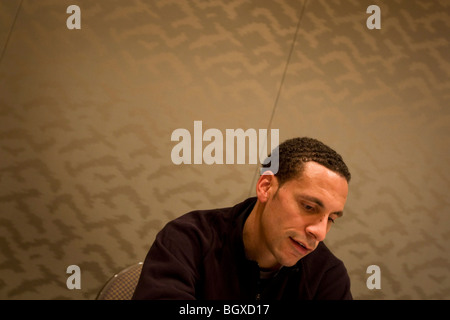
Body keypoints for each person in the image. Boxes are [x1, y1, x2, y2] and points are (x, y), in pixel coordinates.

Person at [132, 137, 352, 300]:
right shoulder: (189, 239)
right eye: (308, 207)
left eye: (331, 218)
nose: (320, 232)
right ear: (266, 187)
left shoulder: (327, 275)